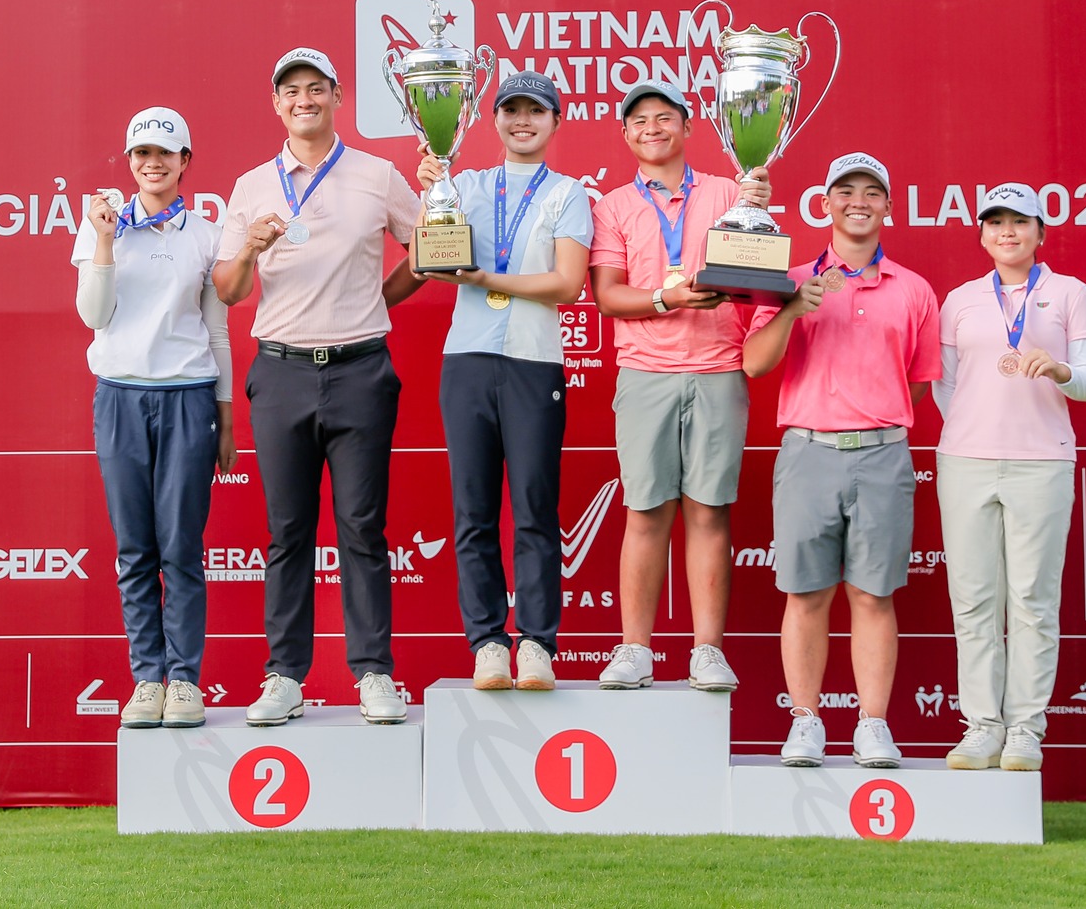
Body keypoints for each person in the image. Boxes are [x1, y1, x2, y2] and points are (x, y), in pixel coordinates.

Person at [213, 47, 426, 726]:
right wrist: (251, 247)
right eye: (291, 91)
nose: (303, 100)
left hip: (361, 370)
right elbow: (228, 289)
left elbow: (433, 249)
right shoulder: (252, 185)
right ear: (276, 104)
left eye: (315, 88)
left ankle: (374, 672)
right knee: (288, 531)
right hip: (281, 371)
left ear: (336, 95)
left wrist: (377, 302)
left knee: (363, 526)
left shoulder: (376, 174)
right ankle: (284, 674)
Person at [743, 153, 939, 767]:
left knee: (873, 597)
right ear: (824, 204)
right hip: (808, 452)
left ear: (888, 206)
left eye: (872, 192)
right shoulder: (789, 278)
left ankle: (872, 724)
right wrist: (795, 306)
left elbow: (918, 382)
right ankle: (805, 721)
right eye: (845, 191)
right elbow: (755, 362)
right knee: (805, 595)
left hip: (882, 456)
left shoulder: (914, 289)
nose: (859, 201)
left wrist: (870, 417)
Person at [409, 70, 592, 692]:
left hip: (533, 362)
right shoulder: (462, 185)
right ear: (492, 120)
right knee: (473, 511)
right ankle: (488, 642)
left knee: (535, 509)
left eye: (535, 111)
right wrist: (431, 193)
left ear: (555, 121)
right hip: (466, 359)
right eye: (511, 110)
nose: (523, 121)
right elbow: (428, 262)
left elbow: (567, 284)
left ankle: (536, 642)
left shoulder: (568, 193)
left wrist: (486, 278)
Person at [587, 80, 769, 692]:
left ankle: (707, 651)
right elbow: (608, 295)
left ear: (688, 127)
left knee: (709, 512)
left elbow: (756, 273)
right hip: (645, 373)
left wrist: (758, 207)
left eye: (664, 117)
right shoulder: (613, 206)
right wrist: (669, 297)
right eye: (639, 120)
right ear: (625, 134)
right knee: (644, 513)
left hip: (718, 369)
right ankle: (635, 649)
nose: (652, 128)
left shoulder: (727, 192)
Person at [73, 106, 237, 729]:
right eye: (142, 153)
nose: (153, 163)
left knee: (181, 548)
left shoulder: (207, 235)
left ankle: (185, 680)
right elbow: (94, 315)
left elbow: (217, 331)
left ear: (185, 161)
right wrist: (105, 241)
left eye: (165, 153)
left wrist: (225, 415)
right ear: (129, 161)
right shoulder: (101, 226)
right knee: (135, 548)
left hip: (189, 396)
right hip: (119, 396)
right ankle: (147, 680)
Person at [933, 182, 1086, 772]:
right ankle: (983, 726)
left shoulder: (1070, 293)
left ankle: (1026, 729)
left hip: (1042, 462)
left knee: (1032, 600)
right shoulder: (960, 299)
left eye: (1020, 221)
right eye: (996, 222)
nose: (1007, 231)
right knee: (973, 601)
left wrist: (1059, 370)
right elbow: (945, 385)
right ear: (982, 234)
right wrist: (975, 427)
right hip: (967, 462)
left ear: (1040, 232)